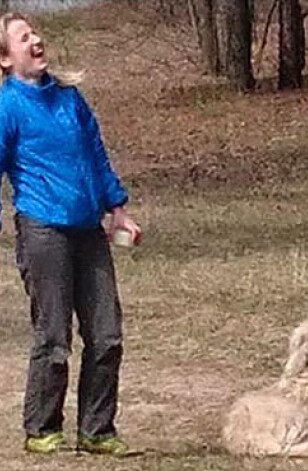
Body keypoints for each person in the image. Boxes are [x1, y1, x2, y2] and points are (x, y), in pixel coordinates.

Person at [0, 12, 142, 455]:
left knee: (107, 333)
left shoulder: (69, 98)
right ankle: (42, 429)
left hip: (88, 229)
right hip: (42, 229)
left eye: (36, 33)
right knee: (53, 336)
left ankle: (97, 430)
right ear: (5, 58)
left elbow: (95, 156)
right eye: (24, 38)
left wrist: (118, 210)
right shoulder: (7, 108)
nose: (37, 40)